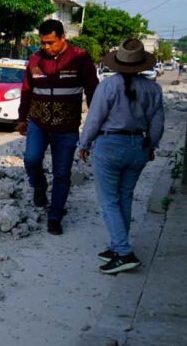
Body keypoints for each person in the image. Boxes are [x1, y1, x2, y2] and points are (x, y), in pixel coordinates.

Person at [78, 38, 164, 274]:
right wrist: (151, 145)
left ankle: (124, 252)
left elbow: (94, 118)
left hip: (110, 145)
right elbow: (158, 124)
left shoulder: (108, 86)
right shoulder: (153, 88)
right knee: (124, 197)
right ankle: (117, 246)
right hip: (138, 146)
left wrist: (84, 143)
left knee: (108, 201)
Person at [17, 19, 99, 235]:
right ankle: (39, 186)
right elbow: (26, 91)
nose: (46, 47)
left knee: (62, 173)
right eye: (43, 43)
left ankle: (55, 215)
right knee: (31, 159)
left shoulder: (80, 58)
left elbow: (93, 91)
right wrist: (22, 118)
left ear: (63, 38)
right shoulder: (34, 60)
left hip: (67, 127)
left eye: (51, 42)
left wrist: (96, 120)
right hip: (38, 123)